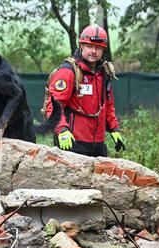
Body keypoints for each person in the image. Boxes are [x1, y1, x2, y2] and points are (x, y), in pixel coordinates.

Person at [44, 25, 125, 157]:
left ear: (103, 50)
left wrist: (114, 129)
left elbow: (107, 106)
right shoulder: (68, 71)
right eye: (89, 46)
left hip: (98, 145)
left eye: (98, 48)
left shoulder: (104, 73)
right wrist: (62, 130)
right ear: (81, 46)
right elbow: (53, 104)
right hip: (72, 143)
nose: (93, 51)